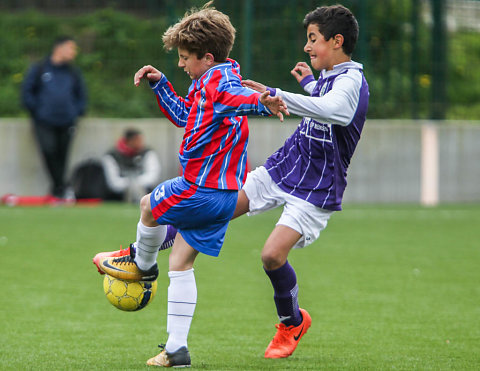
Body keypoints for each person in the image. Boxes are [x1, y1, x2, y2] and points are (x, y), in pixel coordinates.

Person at [94, 3, 369, 361]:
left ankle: (292, 321)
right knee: (196, 232)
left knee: (271, 255)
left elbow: (338, 110)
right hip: (284, 166)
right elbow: (313, 98)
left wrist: (273, 97)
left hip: (317, 183)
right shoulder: (326, 77)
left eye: (312, 39)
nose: (306, 46)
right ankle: (173, 340)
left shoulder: (351, 81)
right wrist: (296, 86)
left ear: (336, 41)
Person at [95, 2, 288, 368]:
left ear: (207, 56)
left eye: (185, 57)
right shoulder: (209, 84)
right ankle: (176, 349)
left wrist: (262, 100)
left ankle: (143, 264)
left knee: (149, 205)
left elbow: (237, 98)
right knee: (181, 262)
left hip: (201, 188)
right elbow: (187, 115)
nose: (181, 64)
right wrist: (160, 84)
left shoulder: (220, 82)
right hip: (225, 196)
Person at [21, 36, 87, 200]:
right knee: (49, 151)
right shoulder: (40, 69)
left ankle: (59, 189)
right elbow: (27, 92)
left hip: (67, 121)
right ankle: (60, 187)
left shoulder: (73, 72)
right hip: (44, 121)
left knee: (62, 155)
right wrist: (37, 111)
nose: (74, 53)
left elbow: (81, 95)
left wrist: (76, 112)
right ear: (59, 49)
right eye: (71, 48)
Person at [102, 128, 161, 203]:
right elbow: (113, 182)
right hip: (118, 195)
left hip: (145, 191)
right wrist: (130, 185)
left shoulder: (148, 153)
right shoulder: (112, 155)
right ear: (129, 141)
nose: (141, 143)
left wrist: (136, 184)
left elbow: (153, 176)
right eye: (137, 140)